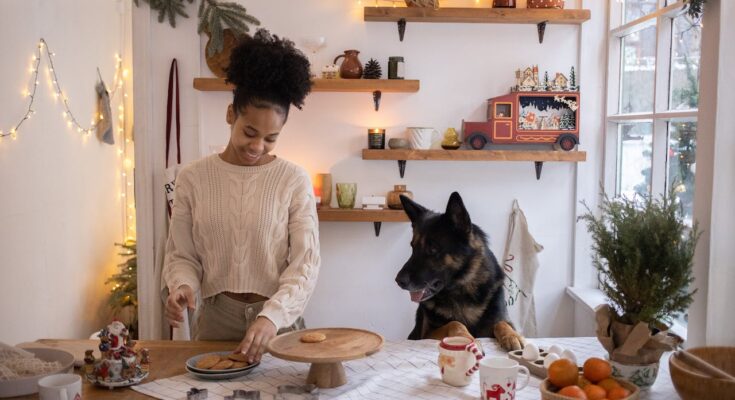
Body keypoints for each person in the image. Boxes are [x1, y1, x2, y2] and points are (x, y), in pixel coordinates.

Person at [162, 29, 320, 364]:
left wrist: (271, 316)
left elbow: (305, 263)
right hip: (216, 321)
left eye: (270, 138)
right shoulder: (193, 178)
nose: (257, 147)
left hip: (278, 322)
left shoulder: (292, 179)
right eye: (250, 132)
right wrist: (182, 287)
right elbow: (182, 255)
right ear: (231, 115)